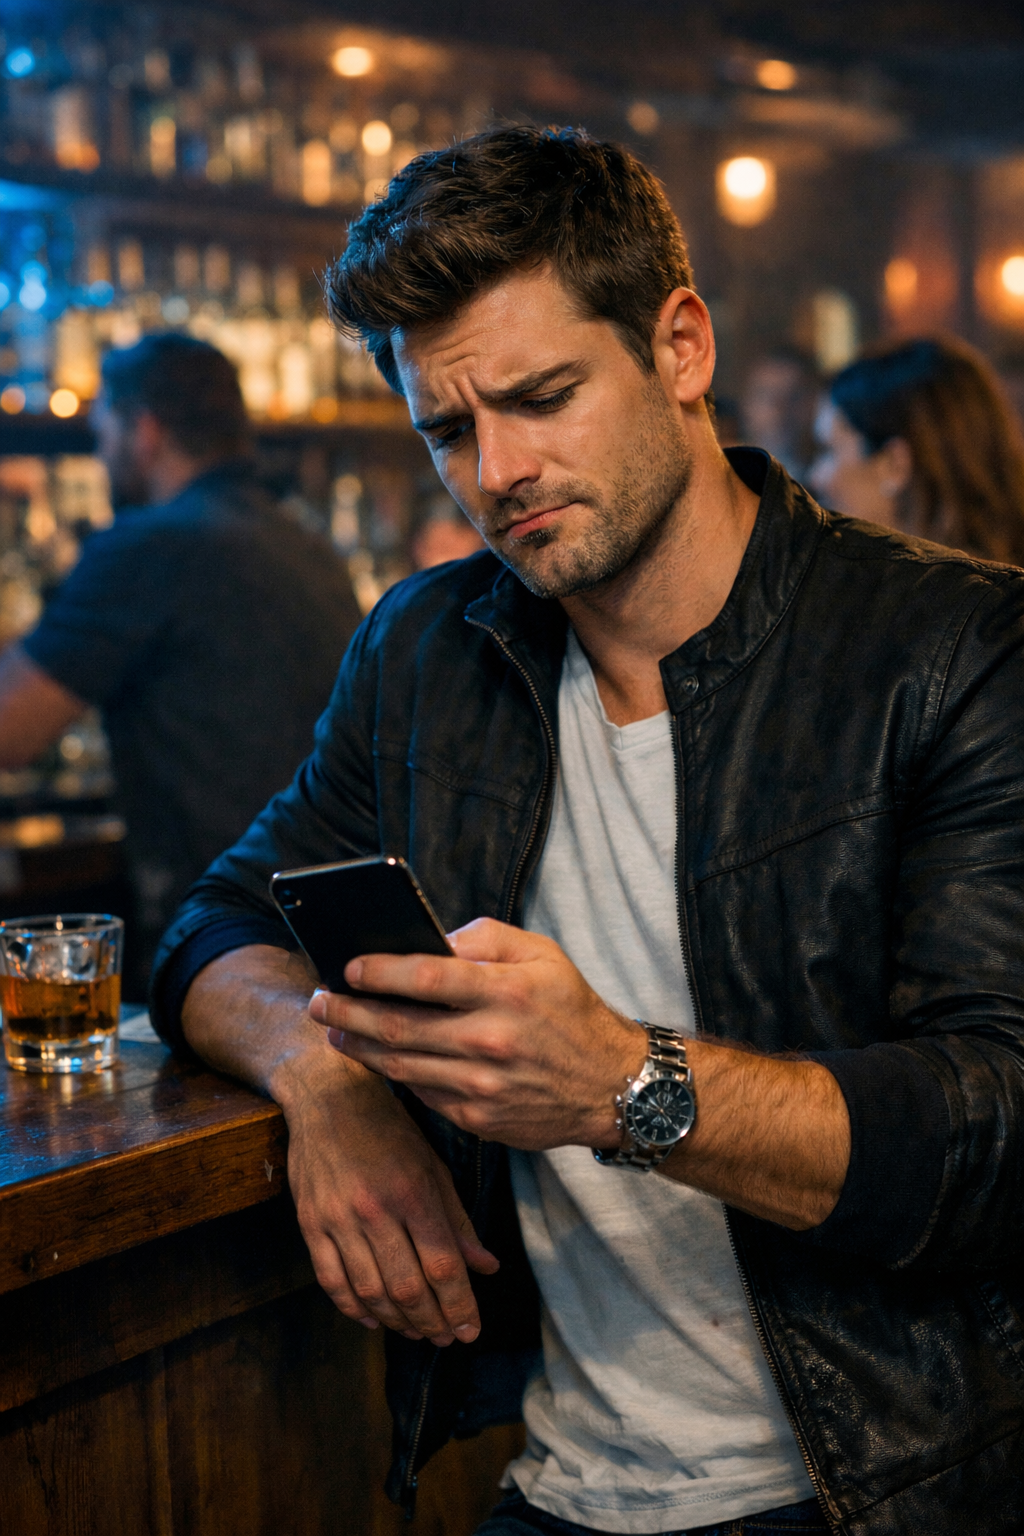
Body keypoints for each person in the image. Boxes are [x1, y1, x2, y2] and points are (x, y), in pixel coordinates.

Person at [151, 128, 1024, 1536]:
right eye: (448, 430)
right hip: (557, 1487)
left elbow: (999, 1125)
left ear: (680, 346)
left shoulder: (951, 648)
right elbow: (215, 919)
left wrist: (625, 1081)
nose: (497, 471)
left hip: (883, 1487)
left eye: (543, 397)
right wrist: (324, 1079)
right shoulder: (431, 651)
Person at [0, 333, 361, 986]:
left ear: (145, 430)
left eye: (103, 426)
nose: (99, 447)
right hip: (327, 928)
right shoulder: (305, 545)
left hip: (218, 933)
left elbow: (9, 731)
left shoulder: (148, 546)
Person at [809, 336, 1024, 563]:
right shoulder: (999, 584)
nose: (816, 478)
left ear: (894, 463)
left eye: (830, 451)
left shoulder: (928, 594)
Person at [738, 348, 819, 482]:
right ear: (746, 405)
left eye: (794, 397)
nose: (778, 410)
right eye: (766, 397)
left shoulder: (836, 485)